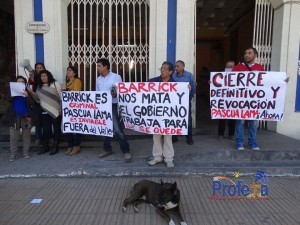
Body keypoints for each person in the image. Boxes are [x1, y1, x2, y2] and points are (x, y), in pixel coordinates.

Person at [96, 58, 132, 161]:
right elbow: (97, 93)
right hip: (102, 106)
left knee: (117, 129)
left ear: (105, 66)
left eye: (99, 66)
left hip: (112, 105)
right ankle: (107, 149)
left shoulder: (116, 77)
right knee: (104, 128)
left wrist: (116, 93)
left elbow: (120, 91)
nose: (97, 68)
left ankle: (126, 151)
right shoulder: (98, 79)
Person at [232, 47, 265, 151]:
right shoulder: (237, 67)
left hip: (254, 101)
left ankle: (253, 143)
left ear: (255, 55)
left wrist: (281, 82)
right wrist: (214, 83)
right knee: (240, 122)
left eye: (249, 53)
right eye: (245, 53)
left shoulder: (260, 68)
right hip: (240, 101)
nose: (246, 55)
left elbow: (267, 82)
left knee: (253, 123)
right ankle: (239, 142)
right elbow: (228, 82)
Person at [147, 61, 176, 168]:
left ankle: (169, 158)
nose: (162, 70)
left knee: (168, 137)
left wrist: (187, 90)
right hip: (156, 115)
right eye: (161, 68)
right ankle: (157, 157)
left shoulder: (175, 84)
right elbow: (139, 91)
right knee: (156, 136)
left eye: (165, 69)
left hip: (169, 115)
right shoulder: (152, 82)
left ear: (170, 72)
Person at [28, 70, 62, 155]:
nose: (43, 77)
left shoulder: (55, 84)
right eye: (41, 76)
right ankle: (45, 146)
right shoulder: (39, 87)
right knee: (46, 130)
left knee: (57, 129)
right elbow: (38, 100)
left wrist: (61, 107)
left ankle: (55, 146)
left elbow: (62, 97)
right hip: (45, 111)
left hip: (56, 110)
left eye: (45, 75)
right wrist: (32, 93)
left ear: (49, 76)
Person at [6, 76, 37, 161]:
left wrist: (27, 96)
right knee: (13, 136)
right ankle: (13, 154)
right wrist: (14, 94)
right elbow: (8, 99)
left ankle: (26, 152)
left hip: (27, 116)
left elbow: (32, 103)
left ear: (24, 83)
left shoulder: (28, 91)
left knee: (26, 136)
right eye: (18, 81)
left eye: (22, 81)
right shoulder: (12, 91)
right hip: (15, 116)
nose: (20, 82)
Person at [172, 60, 197, 145]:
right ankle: (174, 137)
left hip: (185, 101)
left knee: (187, 119)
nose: (176, 68)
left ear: (183, 67)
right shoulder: (173, 76)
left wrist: (189, 97)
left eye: (177, 66)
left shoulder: (189, 76)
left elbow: (193, 87)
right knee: (174, 118)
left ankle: (189, 138)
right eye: (175, 66)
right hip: (174, 101)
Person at [64, 66, 83, 156]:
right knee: (68, 127)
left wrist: (66, 91)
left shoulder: (77, 81)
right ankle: (70, 145)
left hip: (76, 107)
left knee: (76, 127)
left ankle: (76, 145)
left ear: (74, 73)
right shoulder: (67, 82)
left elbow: (77, 93)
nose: (68, 72)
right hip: (68, 108)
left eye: (70, 70)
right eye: (67, 70)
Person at [28, 62, 47, 146]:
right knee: (37, 120)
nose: (39, 69)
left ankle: (47, 138)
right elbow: (30, 88)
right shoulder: (33, 78)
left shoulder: (46, 77)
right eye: (37, 68)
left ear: (44, 68)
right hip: (36, 102)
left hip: (46, 102)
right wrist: (31, 80)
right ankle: (38, 138)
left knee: (46, 121)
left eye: (40, 67)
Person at [218, 60, 236, 140]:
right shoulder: (220, 75)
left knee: (232, 118)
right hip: (223, 100)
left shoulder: (238, 76)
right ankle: (220, 134)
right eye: (228, 66)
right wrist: (211, 82)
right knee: (222, 117)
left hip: (234, 100)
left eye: (231, 66)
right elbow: (216, 84)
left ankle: (231, 134)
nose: (229, 68)